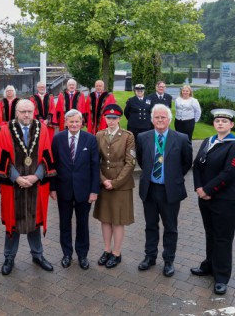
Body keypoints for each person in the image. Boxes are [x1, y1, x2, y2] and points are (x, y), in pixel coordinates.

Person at [0, 99, 56, 275]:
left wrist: (37, 176)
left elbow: (47, 155)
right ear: (16, 113)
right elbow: (2, 156)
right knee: (13, 223)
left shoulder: (42, 129)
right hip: (14, 186)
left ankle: (38, 255)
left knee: (34, 221)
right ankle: (9, 257)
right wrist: (17, 178)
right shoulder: (6, 129)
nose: (27, 115)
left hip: (36, 185)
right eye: (23, 111)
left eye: (29, 111)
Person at [191, 109, 235, 295]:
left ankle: (221, 276)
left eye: (224, 121)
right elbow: (197, 166)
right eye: (217, 121)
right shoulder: (208, 141)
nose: (220, 123)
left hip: (226, 200)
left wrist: (207, 190)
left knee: (223, 238)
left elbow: (229, 173)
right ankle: (209, 266)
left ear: (231, 125)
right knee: (210, 234)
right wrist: (199, 188)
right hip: (205, 198)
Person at [136, 104, 192, 277]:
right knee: (150, 225)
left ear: (169, 119)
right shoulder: (143, 137)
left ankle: (168, 260)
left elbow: (186, 163)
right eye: (157, 117)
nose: (160, 120)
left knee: (170, 227)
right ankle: (150, 256)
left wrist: (172, 177)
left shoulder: (181, 138)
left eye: (163, 117)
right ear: (152, 119)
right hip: (150, 189)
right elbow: (140, 159)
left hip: (170, 191)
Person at [50, 109, 99, 270]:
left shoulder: (90, 139)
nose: (74, 124)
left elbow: (94, 166)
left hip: (84, 190)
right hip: (63, 189)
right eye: (71, 121)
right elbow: (53, 165)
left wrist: (94, 190)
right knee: (65, 223)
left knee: (83, 224)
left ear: (81, 123)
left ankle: (82, 254)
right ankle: (67, 254)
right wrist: (53, 188)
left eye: (77, 121)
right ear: (65, 123)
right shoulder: (57, 139)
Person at [93, 104, 136, 269]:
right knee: (105, 218)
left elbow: (130, 162)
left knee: (118, 220)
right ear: (105, 118)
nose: (111, 121)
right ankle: (106, 250)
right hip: (104, 182)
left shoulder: (127, 136)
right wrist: (103, 180)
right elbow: (95, 161)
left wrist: (116, 182)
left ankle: (116, 253)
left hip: (121, 184)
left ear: (119, 119)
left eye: (114, 118)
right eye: (108, 118)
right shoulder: (99, 135)